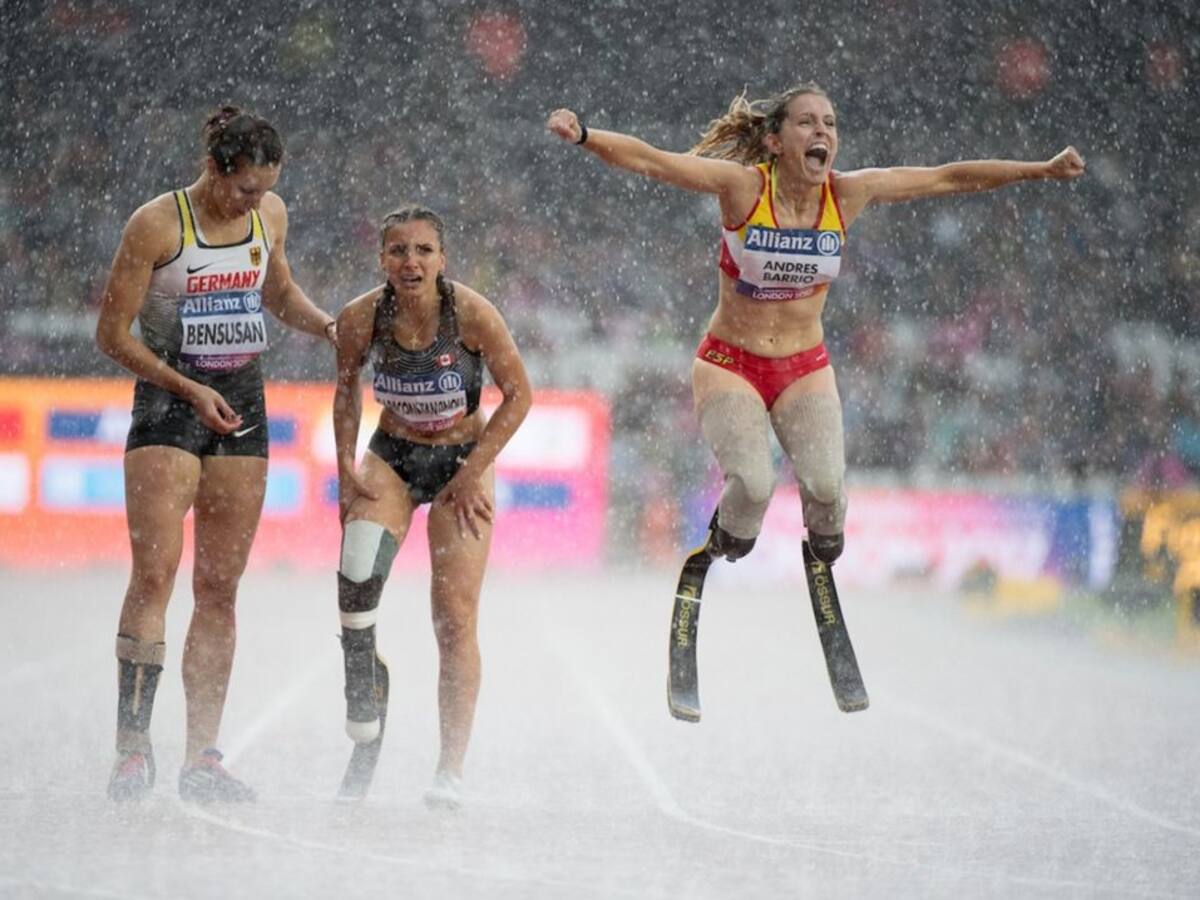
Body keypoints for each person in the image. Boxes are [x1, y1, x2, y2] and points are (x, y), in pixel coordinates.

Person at [547, 86, 1084, 569]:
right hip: (731, 363)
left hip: (804, 367)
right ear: (775, 141)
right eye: (806, 122)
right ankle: (729, 537)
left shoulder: (848, 194)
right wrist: (585, 135)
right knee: (753, 487)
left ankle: (821, 543)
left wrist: (1039, 169)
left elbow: (948, 177)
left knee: (827, 491)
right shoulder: (743, 188)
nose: (821, 131)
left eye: (829, 122)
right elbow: (654, 160)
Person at [96, 105, 337, 803]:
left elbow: (278, 294)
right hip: (169, 400)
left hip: (241, 401)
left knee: (220, 589)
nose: (253, 202)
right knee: (155, 576)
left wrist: (328, 327)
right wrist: (187, 389)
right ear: (213, 168)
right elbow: (111, 335)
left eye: (265, 190)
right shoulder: (157, 225)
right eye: (244, 189)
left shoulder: (269, 216)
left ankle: (202, 757)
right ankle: (132, 749)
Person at [332, 205, 531, 808]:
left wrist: (471, 473)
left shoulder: (471, 313)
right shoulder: (361, 317)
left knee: (453, 617)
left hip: (460, 462)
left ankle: (449, 770)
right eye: (398, 250)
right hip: (393, 453)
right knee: (355, 575)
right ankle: (366, 679)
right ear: (382, 259)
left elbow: (520, 395)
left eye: (423, 250)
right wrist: (345, 468)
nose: (410, 262)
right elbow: (345, 390)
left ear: (443, 260)